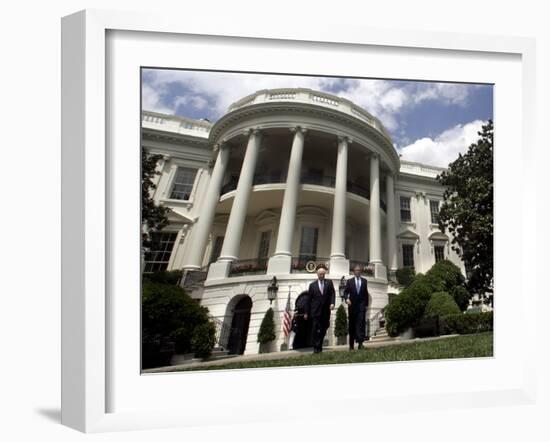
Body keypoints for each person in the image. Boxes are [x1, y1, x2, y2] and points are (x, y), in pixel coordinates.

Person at [305, 264, 335, 353]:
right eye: (320, 274)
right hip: (315, 311)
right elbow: (309, 300)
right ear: (317, 274)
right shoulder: (312, 285)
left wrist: (332, 303)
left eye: (323, 274)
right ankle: (316, 347)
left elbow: (332, 294)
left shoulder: (329, 283)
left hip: (326, 311)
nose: (322, 275)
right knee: (315, 329)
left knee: (324, 328)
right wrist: (306, 312)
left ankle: (319, 345)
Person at [343, 264, 370, 350]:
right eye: (356, 270)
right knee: (352, 325)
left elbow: (366, 294)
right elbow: (345, 292)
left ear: (360, 272)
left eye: (359, 270)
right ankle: (351, 345)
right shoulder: (349, 281)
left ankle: (360, 344)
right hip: (352, 306)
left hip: (361, 306)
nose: (357, 272)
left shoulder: (364, 281)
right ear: (353, 272)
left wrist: (366, 305)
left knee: (361, 324)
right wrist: (346, 299)